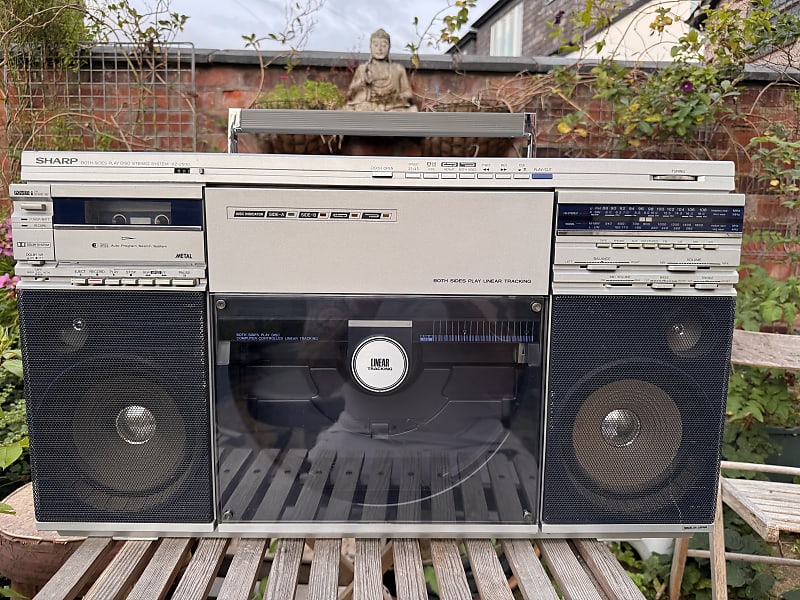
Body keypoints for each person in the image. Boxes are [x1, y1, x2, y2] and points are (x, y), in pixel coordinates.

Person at [345, 28, 417, 112]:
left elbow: (409, 94)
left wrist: (396, 97)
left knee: (412, 110)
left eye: (383, 45)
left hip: (392, 106)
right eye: (375, 45)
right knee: (354, 109)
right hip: (368, 107)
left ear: (389, 47)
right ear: (370, 47)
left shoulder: (398, 69)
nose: (379, 49)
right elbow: (350, 94)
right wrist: (362, 83)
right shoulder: (362, 69)